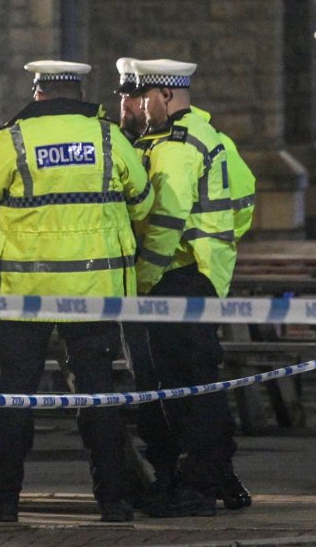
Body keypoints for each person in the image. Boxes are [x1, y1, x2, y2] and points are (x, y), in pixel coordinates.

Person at [0, 60, 154, 523]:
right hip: (94, 290)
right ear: (77, 90)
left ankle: (3, 499)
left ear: (39, 91)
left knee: (16, 398)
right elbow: (144, 199)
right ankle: (114, 501)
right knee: (97, 397)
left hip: (24, 294)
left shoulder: (14, 140)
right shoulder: (108, 137)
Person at [128, 58, 249, 517]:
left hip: (177, 275)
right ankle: (218, 479)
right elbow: (245, 199)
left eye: (144, 97)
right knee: (197, 382)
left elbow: (164, 221)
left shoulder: (177, 145)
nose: (140, 106)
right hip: (203, 273)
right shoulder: (211, 136)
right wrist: (218, 247)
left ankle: (198, 488)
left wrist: (143, 279)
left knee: (188, 387)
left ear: (165, 96)